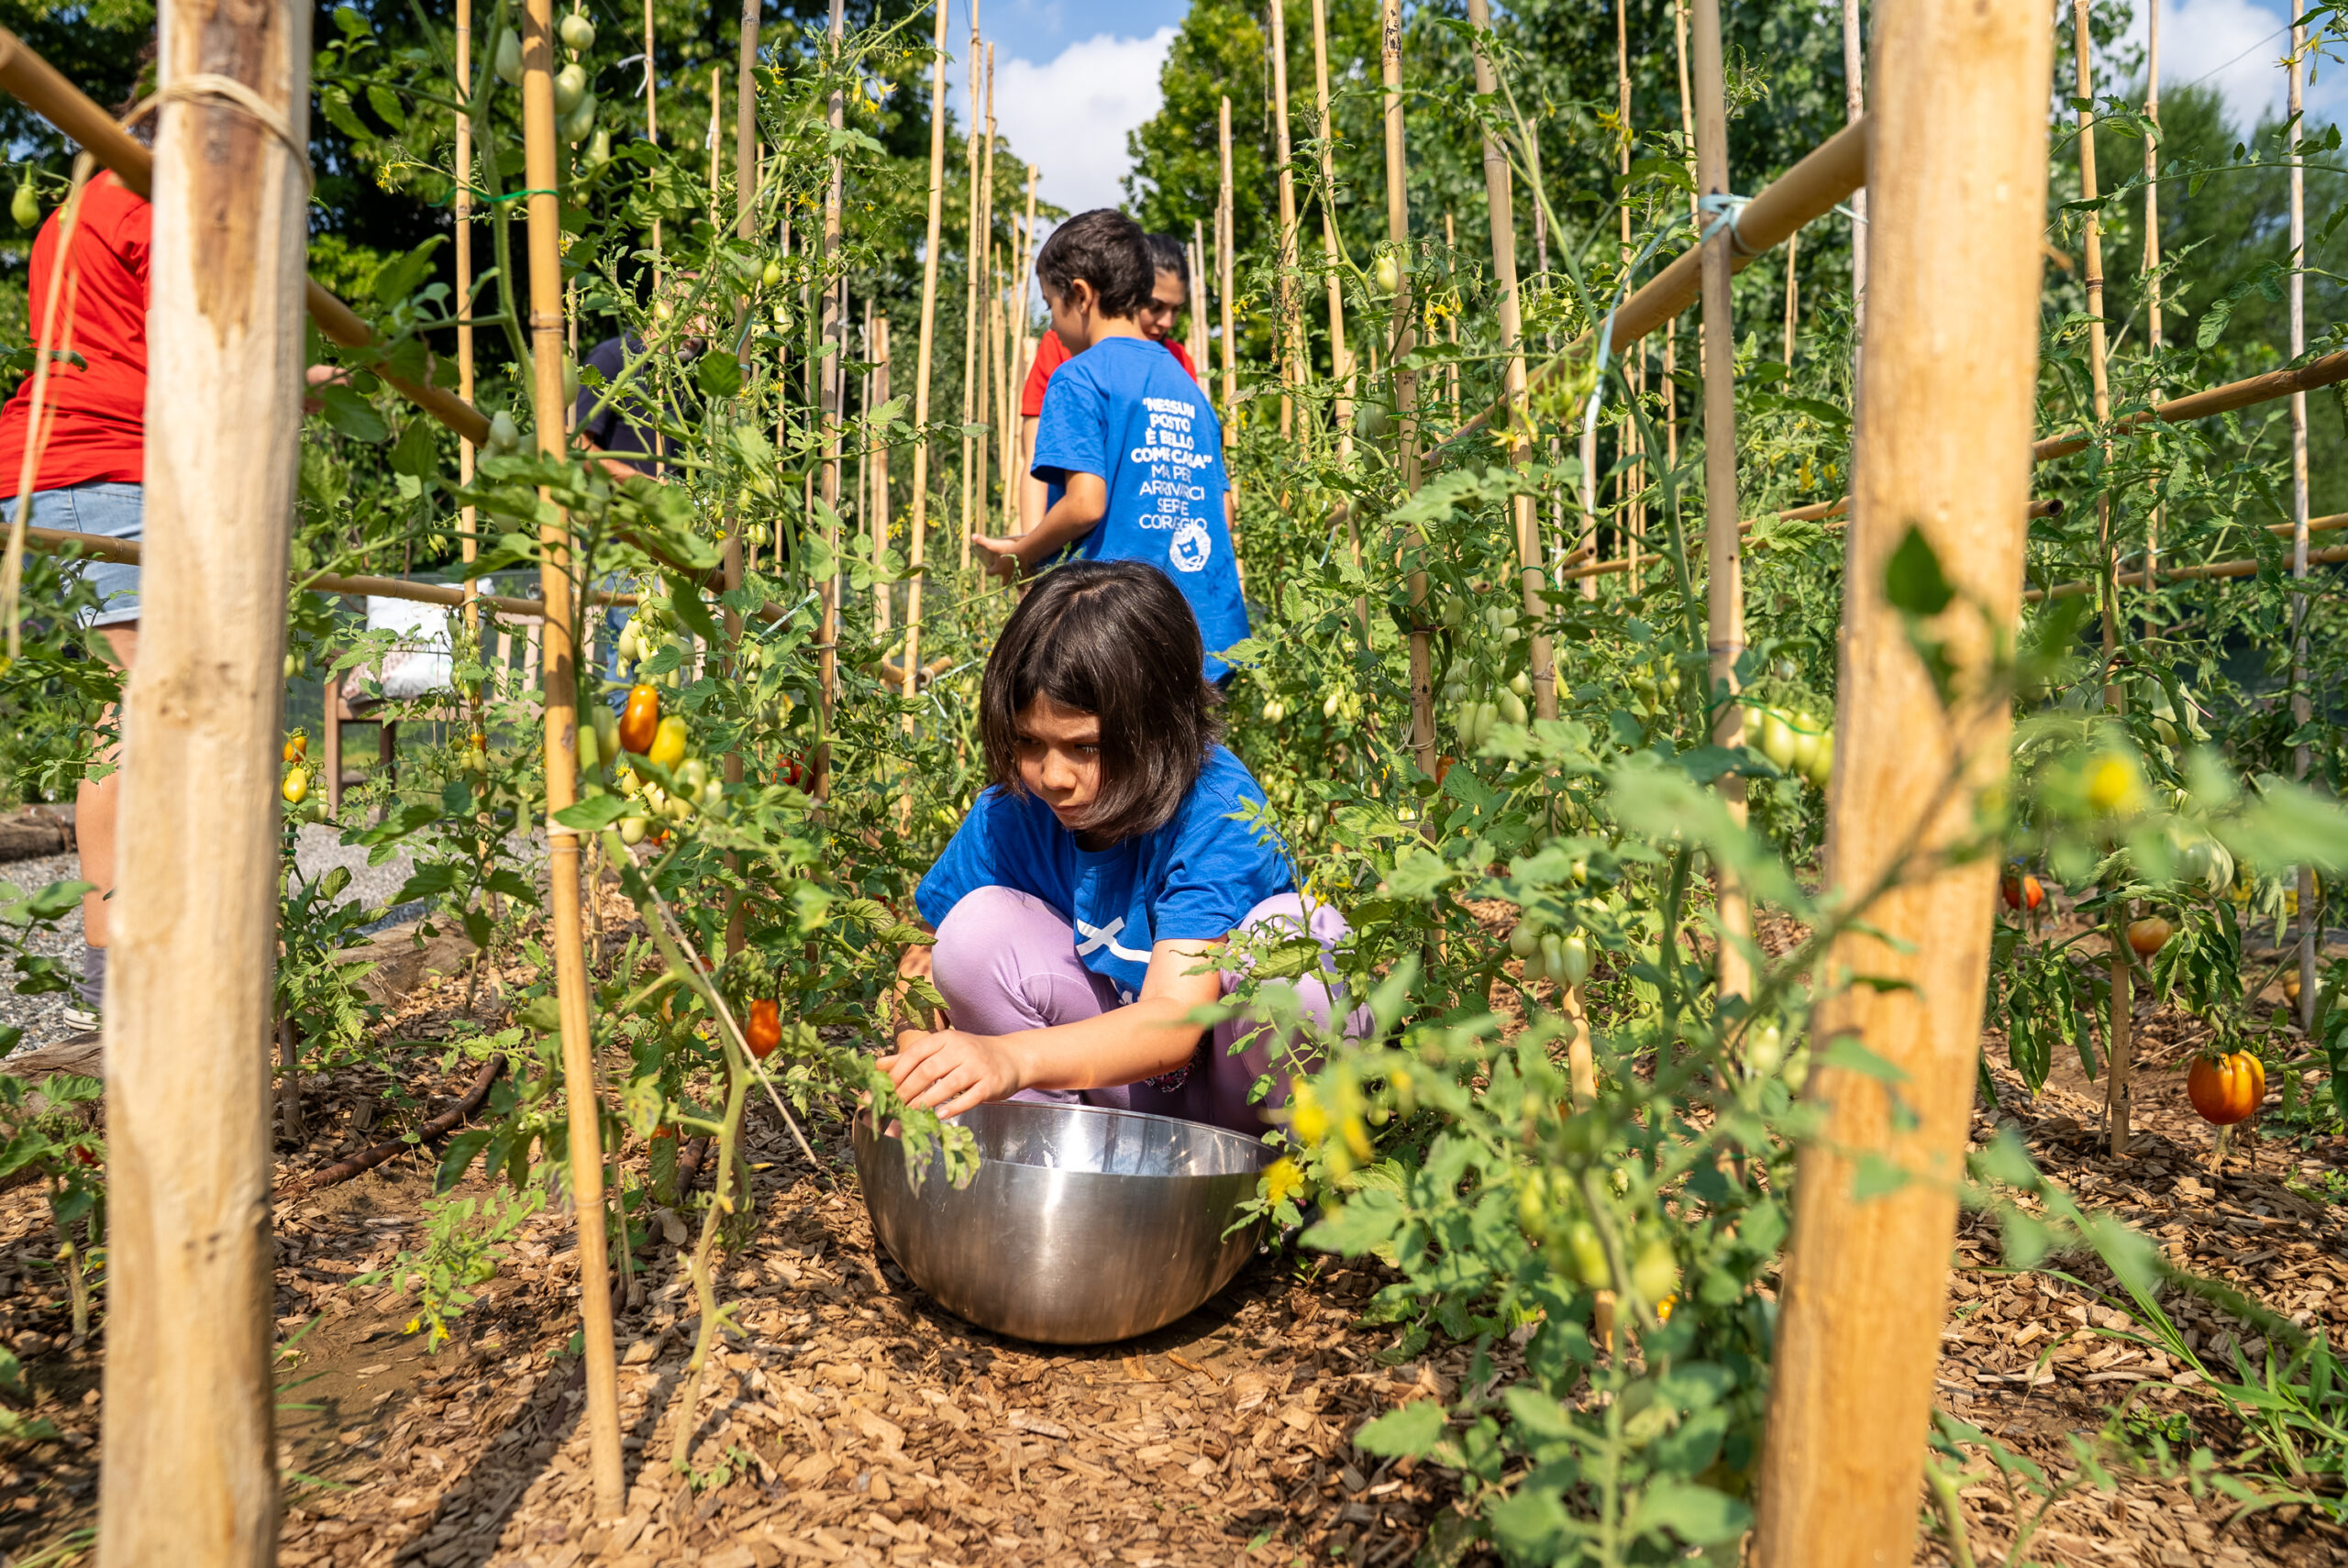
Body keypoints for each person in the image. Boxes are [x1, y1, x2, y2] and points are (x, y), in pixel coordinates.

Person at [883, 560, 1351, 1134]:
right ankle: (1045, 1152)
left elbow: (1175, 1021)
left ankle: (1301, 1168)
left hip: (1241, 1102)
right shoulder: (1014, 815)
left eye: (1085, 747)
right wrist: (919, 1062)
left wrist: (1010, 1058)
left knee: (1298, 951)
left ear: (1161, 728)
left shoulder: (1217, 811)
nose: (1052, 776)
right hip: (1121, 1099)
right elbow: (920, 955)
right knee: (970, 933)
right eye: (1029, 742)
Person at [0, 161, 153, 1033]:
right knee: (137, 703)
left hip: (62, 462)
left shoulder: (78, 204)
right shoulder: (147, 198)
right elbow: (198, 348)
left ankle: (127, 958)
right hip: (100, 464)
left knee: (136, 700)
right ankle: (113, 971)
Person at [975, 209, 1247, 683]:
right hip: (1203, 633)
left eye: (1050, 304)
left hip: (1116, 634)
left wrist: (1022, 555)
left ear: (1080, 295)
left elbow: (1084, 505)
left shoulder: (1078, 378)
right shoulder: (1188, 390)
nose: (1052, 324)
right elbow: (1222, 513)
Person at [1016, 231, 1199, 535]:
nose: (1167, 321)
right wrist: (1030, 550)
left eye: (1176, 309)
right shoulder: (1061, 348)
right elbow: (1036, 460)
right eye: (1156, 306)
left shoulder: (1178, 362)